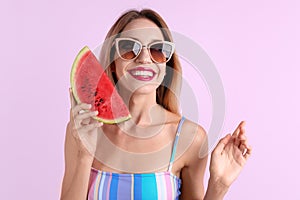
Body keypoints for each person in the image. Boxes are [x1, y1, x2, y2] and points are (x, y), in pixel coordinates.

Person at [60, 9, 252, 200]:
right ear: (112, 62)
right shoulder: (83, 129)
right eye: (129, 48)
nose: (144, 58)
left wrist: (218, 187)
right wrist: (84, 155)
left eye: (157, 50)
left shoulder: (189, 138)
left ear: (165, 66)